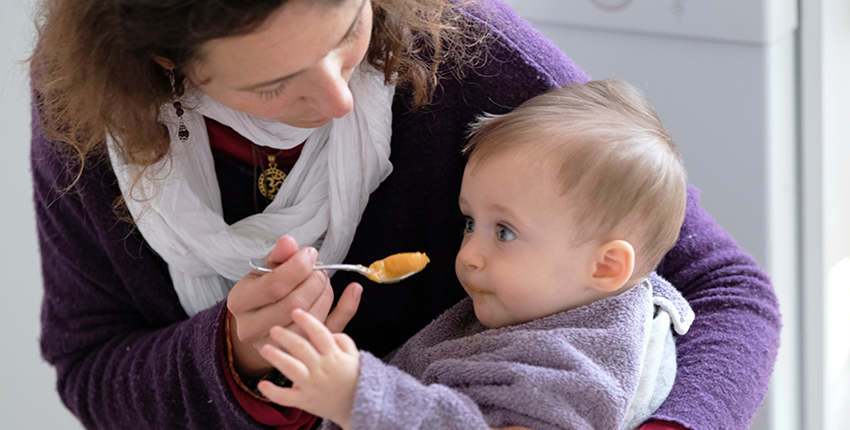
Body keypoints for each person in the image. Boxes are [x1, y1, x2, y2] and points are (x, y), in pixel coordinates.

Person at [27, 0, 779, 429]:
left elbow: (724, 293)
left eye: (349, 28)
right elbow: (91, 365)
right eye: (278, 83)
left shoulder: (464, 49)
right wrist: (235, 359)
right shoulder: (90, 124)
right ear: (166, 65)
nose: (336, 100)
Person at [256, 79, 695, 430]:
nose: (468, 255)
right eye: (470, 223)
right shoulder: (543, 308)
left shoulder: (578, 369)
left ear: (605, 266)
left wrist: (360, 397)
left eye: (504, 231)